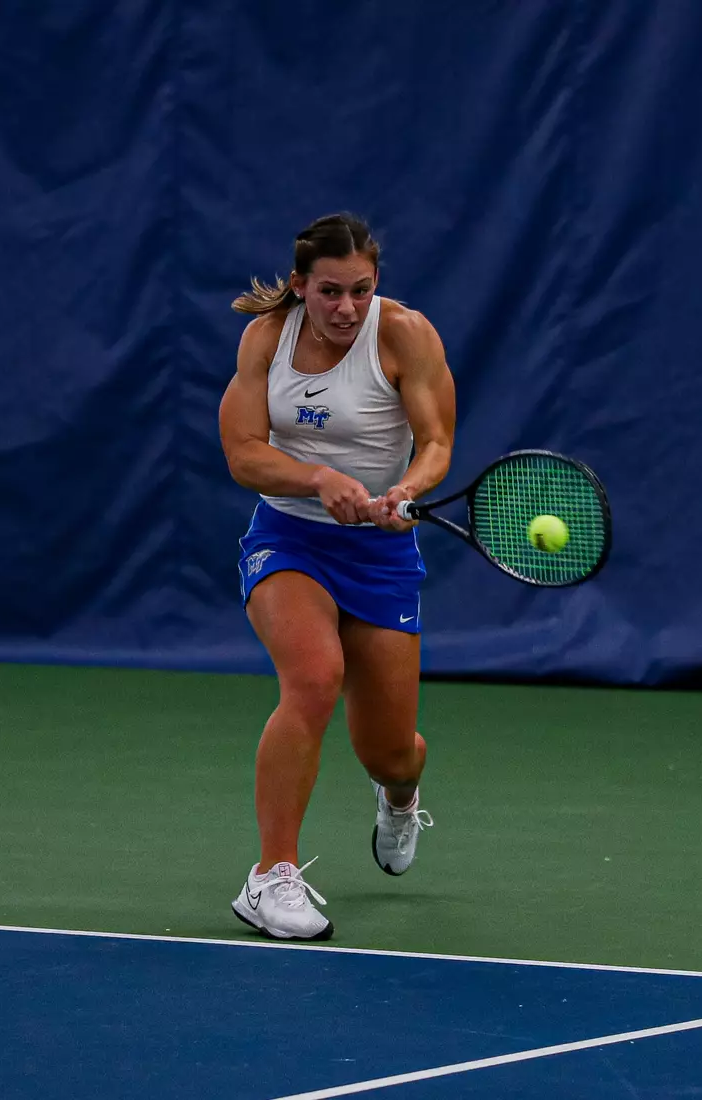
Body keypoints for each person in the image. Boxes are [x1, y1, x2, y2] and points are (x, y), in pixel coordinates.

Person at [218, 213, 457, 940]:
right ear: (299, 286)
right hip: (289, 539)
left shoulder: (405, 334)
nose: (345, 308)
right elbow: (243, 453)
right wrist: (319, 478)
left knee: (389, 749)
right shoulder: (267, 339)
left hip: (379, 555)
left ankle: (400, 796)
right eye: (328, 292)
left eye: (359, 290)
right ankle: (270, 877)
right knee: (314, 677)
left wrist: (404, 495)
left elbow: (436, 440)